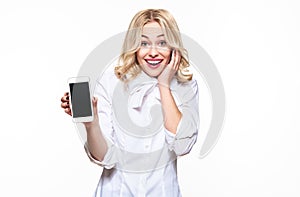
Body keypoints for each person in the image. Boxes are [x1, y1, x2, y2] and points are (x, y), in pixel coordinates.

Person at [61, 9, 199, 197]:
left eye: (162, 43)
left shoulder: (186, 87)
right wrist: (90, 123)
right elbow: (105, 158)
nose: (152, 52)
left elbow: (182, 146)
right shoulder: (111, 82)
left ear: (173, 47)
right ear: (134, 46)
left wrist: (164, 85)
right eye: (144, 43)